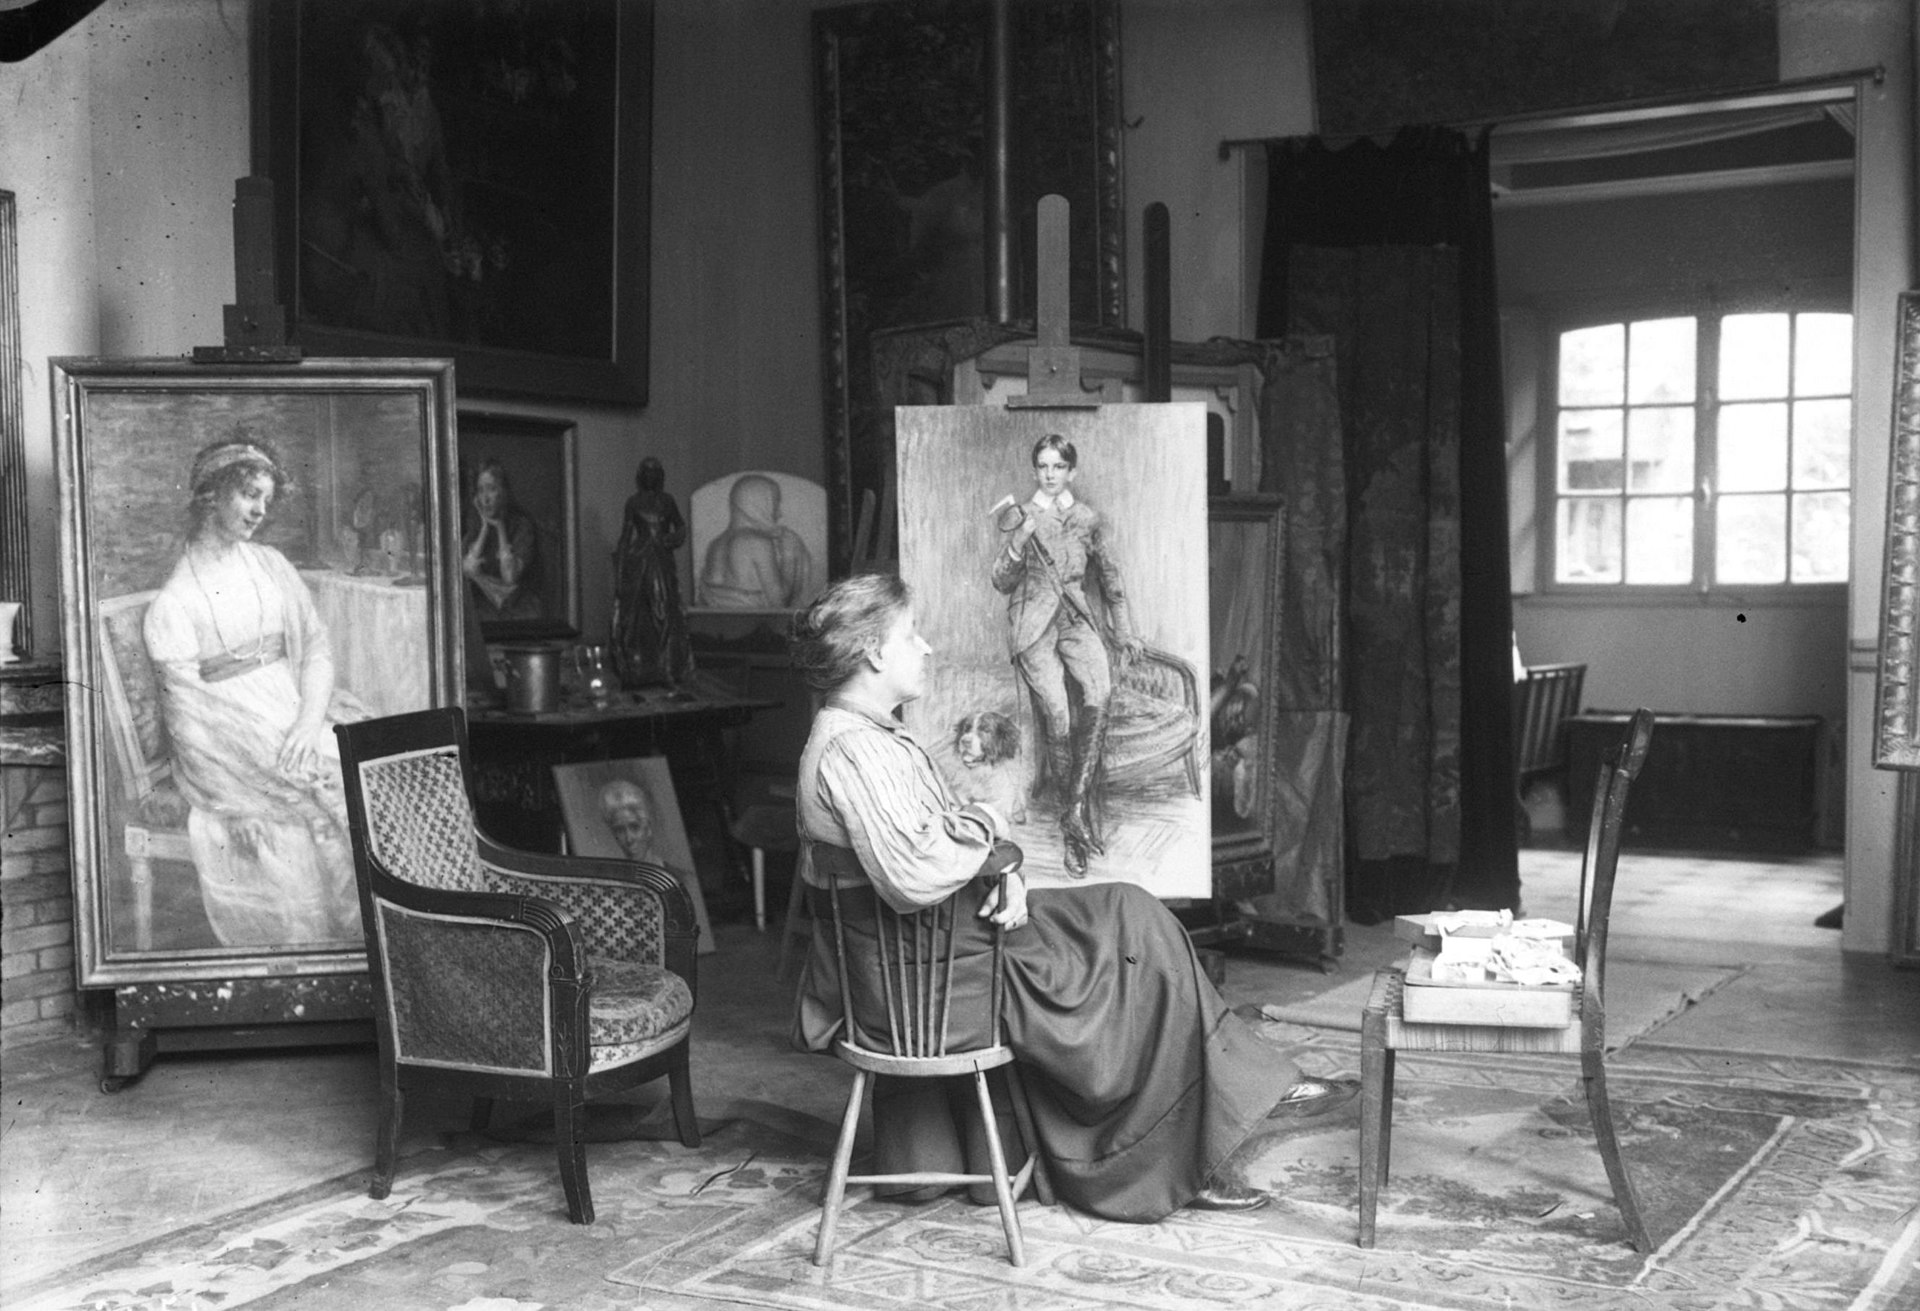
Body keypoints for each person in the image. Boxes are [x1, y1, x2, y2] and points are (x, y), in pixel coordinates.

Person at [788, 573, 1358, 1221]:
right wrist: (990, 829)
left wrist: (999, 868)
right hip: (932, 981)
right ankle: (1205, 1134)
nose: (927, 647)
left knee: (1131, 913)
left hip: (940, 951)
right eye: (911, 634)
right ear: (871, 653)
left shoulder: (867, 736)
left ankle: (1230, 1105)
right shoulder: (852, 750)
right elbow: (915, 872)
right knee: (1136, 931)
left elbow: (930, 848)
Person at [144, 438, 369, 948]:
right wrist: (231, 800)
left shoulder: (271, 565)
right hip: (232, 744)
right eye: (248, 495)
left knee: (366, 774)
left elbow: (316, 651)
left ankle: (374, 939)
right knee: (305, 809)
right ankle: (327, 947)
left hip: (298, 716)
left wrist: (309, 723)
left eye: (265, 499)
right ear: (211, 496)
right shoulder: (175, 603)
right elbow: (190, 722)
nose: (259, 511)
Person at [990, 434, 1140, 876]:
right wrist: (1019, 543)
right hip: (1034, 625)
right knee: (1058, 715)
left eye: (1059, 467)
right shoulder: (1022, 516)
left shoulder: (1086, 519)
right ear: (1035, 470)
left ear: (1071, 471)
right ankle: (1070, 823)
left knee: (1100, 690)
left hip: (1076, 618)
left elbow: (1110, 579)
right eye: (1043, 466)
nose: (1051, 475)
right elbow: (1000, 580)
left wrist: (1124, 630)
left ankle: (1072, 812)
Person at [611, 457, 692, 685]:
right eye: (646, 472)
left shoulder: (667, 501)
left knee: (664, 608)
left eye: (655, 472)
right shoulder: (633, 502)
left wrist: (673, 538)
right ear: (640, 476)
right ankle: (639, 664)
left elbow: (681, 525)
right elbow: (626, 536)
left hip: (662, 559)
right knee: (636, 611)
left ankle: (667, 664)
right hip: (641, 559)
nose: (651, 476)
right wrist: (620, 565)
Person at [698, 473, 813, 609]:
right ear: (758, 505)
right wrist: (790, 558)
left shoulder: (716, 544)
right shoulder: (756, 543)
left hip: (718, 625)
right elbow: (779, 603)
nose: (779, 513)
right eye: (775, 504)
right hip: (756, 625)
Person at [462, 459, 543, 623]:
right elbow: (466, 569)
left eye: (491, 489)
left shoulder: (522, 525)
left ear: (503, 492)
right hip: (484, 608)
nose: (485, 499)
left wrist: (500, 528)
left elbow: (510, 577)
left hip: (518, 608)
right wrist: (485, 528)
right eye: (480, 491)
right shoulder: (475, 526)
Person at [597, 777, 657, 861]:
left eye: (635, 827)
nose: (629, 839)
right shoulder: (614, 873)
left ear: (648, 829)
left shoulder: (674, 873)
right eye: (620, 830)